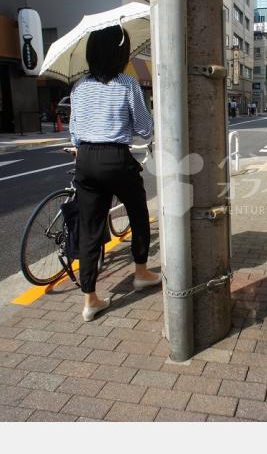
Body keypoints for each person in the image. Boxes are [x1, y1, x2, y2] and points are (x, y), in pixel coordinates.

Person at [69, 25, 160, 322]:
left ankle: (90, 299)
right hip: (115, 157)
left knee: (91, 227)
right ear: (120, 52)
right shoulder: (127, 83)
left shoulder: (79, 86)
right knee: (137, 213)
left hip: (85, 160)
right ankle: (141, 272)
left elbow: (74, 133)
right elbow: (145, 128)